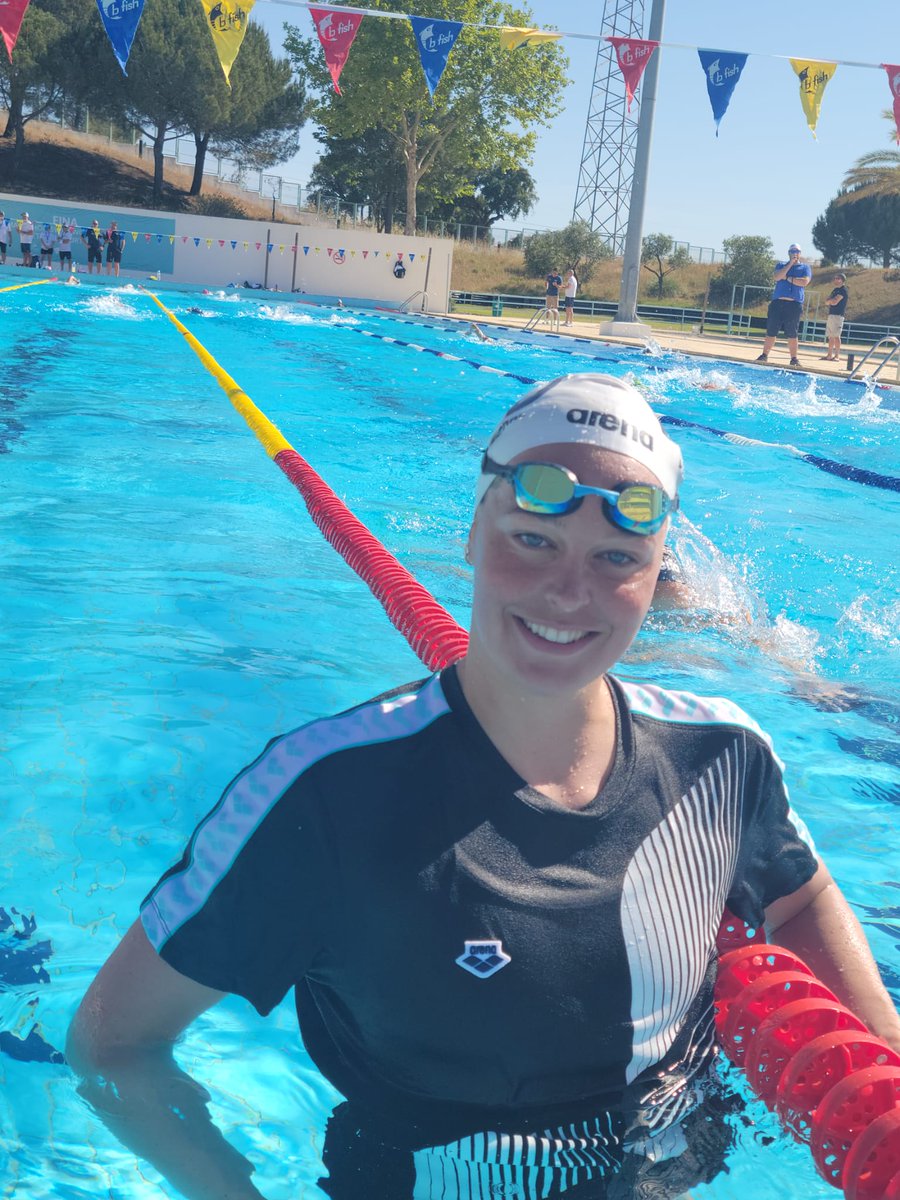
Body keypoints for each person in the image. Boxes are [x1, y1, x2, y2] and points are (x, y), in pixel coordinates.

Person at [67, 375, 900, 1200]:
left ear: (654, 579)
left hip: (678, 1163)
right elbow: (113, 1044)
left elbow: (796, 899)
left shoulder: (723, 754)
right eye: (532, 540)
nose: (569, 593)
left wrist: (885, 1059)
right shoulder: (324, 795)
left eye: (617, 558)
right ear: (471, 533)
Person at [755, 243, 812, 368]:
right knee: (771, 330)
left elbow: (804, 282)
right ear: (789, 253)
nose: (794, 253)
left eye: (797, 251)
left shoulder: (805, 268)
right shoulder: (781, 265)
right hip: (778, 302)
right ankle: (764, 355)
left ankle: (794, 358)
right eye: (792, 251)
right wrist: (790, 264)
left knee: (792, 332)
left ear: (800, 253)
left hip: (794, 304)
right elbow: (777, 277)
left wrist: (788, 278)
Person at [822, 272, 848, 361]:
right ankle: (829, 355)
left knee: (836, 336)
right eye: (835, 278)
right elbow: (826, 301)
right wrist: (830, 300)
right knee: (830, 336)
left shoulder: (843, 290)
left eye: (838, 278)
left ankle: (837, 356)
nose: (836, 280)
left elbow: (834, 302)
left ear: (842, 280)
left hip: (838, 315)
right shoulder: (834, 290)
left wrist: (831, 301)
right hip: (831, 314)